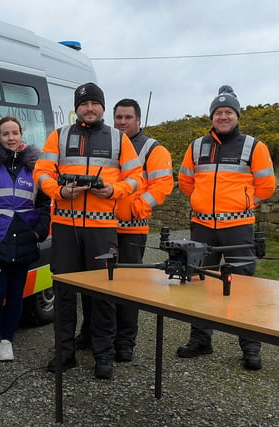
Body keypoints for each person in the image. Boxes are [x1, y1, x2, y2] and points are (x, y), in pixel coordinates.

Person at [33, 82, 143, 380]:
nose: (90, 108)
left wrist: (114, 190)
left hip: (102, 229)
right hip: (66, 228)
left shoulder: (119, 138)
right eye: (84, 104)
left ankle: (103, 355)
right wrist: (59, 190)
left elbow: (137, 178)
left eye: (95, 103)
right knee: (64, 292)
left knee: (103, 294)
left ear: (102, 107)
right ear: (76, 108)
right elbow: (41, 171)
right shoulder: (59, 135)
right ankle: (64, 353)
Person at [177, 85, 275, 370]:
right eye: (218, 112)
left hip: (239, 228)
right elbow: (185, 182)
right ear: (211, 117)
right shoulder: (196, 147)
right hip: (203, 228)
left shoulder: (254, 146)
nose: (223, 116)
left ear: (237, 115)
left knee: (243, 287)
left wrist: (245, 202)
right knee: (200, 283)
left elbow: (266, 186)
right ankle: (201, 340)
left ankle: (250, 348)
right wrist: (201, 201)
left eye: (228, 112)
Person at [0, 117, 51, 362]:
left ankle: (8, 340)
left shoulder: (35, 166)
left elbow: (44, 203)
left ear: (22, 134)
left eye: (14, 133)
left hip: (24, 239)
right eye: (5, 134)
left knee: (16, 294)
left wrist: (38, 231)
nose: (10, 138)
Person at [112, 98, 174, 362]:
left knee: (128, 285)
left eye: (128, 117)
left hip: (133, 229)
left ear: (139, 120)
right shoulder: (107, 143)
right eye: (118, 117)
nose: (123, 122)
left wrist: (137, 206)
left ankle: (126, 340)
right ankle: (94, 334)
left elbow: (162, 186)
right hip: (101, 227)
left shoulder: (153, 149)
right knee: (98, 282)